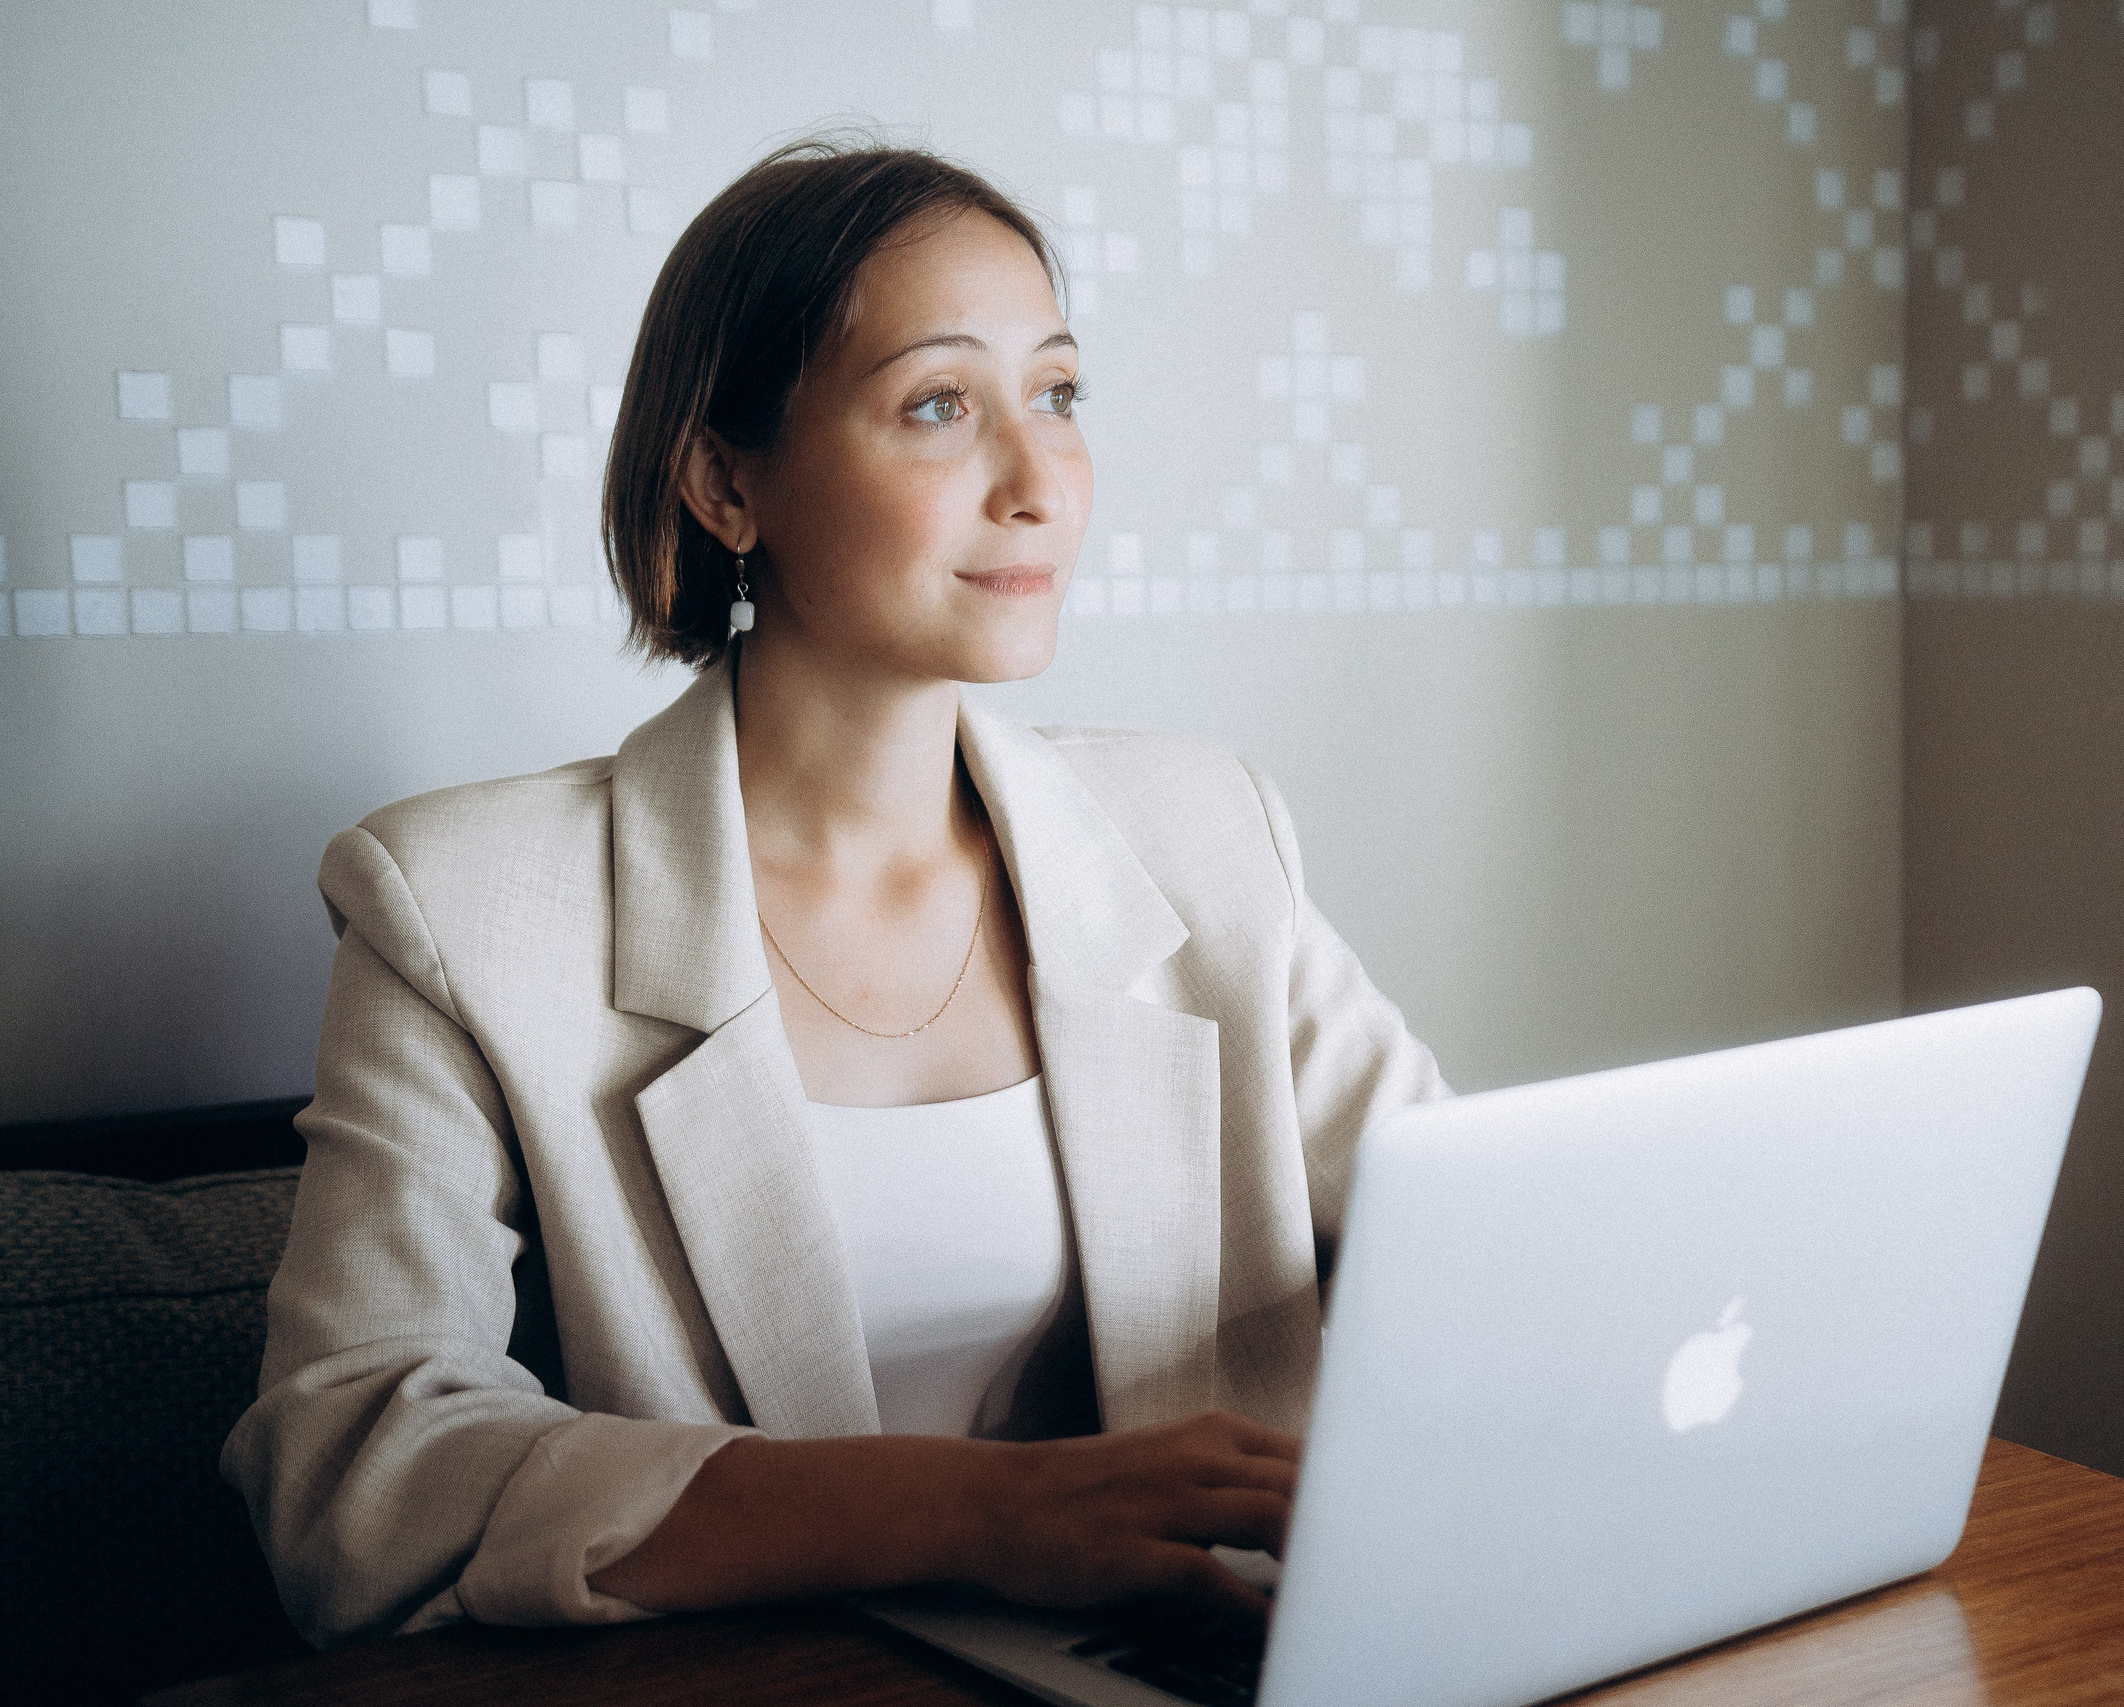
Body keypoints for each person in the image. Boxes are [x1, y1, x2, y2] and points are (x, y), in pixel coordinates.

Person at [222, 140, 1446, 1649]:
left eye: (1057, 394)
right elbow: (357, 1463)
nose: (1038, 482)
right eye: (940, 405)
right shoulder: (463, 907)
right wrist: (986, 1515)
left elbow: (1480, 1244)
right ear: (727, 479)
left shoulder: (1205, 832)